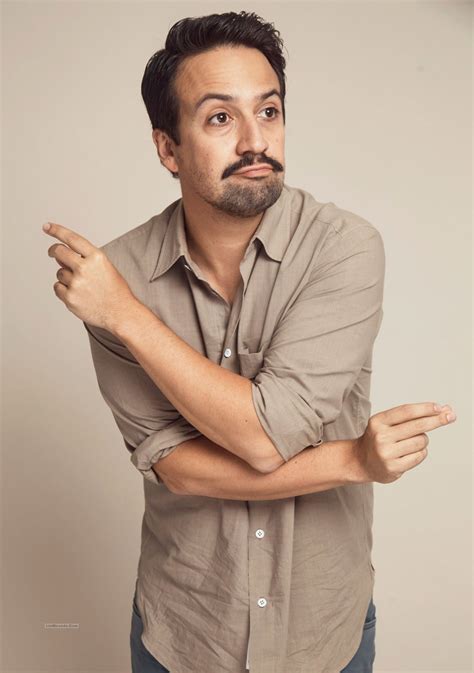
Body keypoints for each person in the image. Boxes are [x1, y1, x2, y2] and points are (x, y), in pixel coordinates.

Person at [43, 10, 457, 673]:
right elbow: (176, 465)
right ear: (167, 148)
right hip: (183, 631)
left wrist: (125, 313)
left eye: (268, 111)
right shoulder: (116, 277)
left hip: (323, 632)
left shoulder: (344, 249)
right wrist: (351, 459)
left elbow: (268, 435)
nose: (254, 139)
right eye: (219, 118)